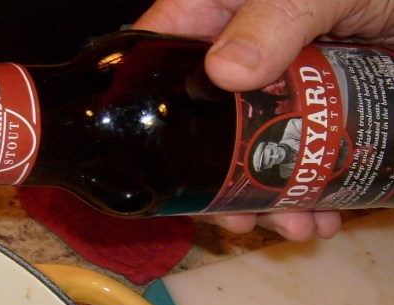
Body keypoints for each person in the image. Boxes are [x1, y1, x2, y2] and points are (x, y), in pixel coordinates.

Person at [134, 0, 394, 242]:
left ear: (269, 145)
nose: (272, 156)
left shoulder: (290, 131)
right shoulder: (286, 169)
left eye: (267, 152)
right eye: (270, 160)